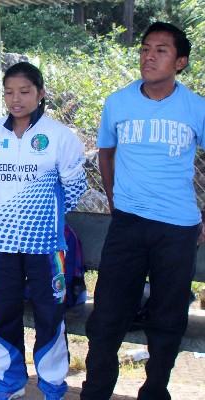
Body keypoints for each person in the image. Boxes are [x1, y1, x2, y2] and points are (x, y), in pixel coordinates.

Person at [81, 22, 205, 400]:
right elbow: (106, 151)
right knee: (106, 316)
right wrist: (116, 198)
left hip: (177, 228)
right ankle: (96, 391)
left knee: (168, 319)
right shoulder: (118, 102)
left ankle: (154, 391)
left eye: (161, 50)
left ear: (180, 62)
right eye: (145, 49)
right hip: (128, 224)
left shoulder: (196, 107)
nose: (149, 56)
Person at [0, 62, 87, 400]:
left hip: (47, 246)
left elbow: (75, 188)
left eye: (24, 92)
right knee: (2, 313)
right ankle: (10, 382)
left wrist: (41, 217)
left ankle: (51, 385)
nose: (16, 99)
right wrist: (10, 213)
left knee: (50, 315)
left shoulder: (60, 137)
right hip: (1, 245)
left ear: (40, 93)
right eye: (9, 92)